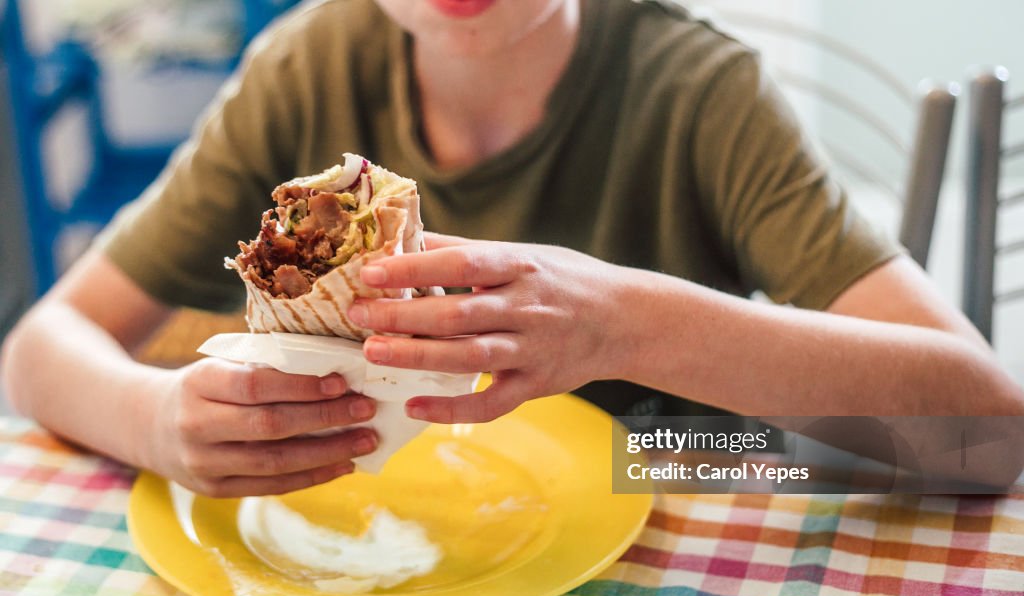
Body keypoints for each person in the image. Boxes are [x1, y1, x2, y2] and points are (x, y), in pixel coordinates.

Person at [2, 0, 1022, 498]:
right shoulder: (305, 68)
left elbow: (988, 439)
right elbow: (40, 348)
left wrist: (627, 324)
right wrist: (153, 415)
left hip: (668, 513)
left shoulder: (702, 97)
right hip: (371, 548)